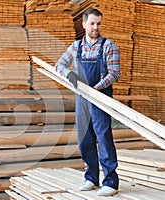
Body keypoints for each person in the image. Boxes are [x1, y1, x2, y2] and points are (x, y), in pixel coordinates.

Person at [55, 8, 121, 196]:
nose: (95, 27)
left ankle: (110, 182)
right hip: (82, 99)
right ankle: (91, 178)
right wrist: (70, 74)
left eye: (98, 23)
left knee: (103, 137)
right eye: (92, 23)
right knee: (84, 139)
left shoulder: (109, 46)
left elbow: (114, 74)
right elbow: (59, 65)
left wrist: (96, 88)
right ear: (84, 24)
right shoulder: (76, 47)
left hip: (100, 98)